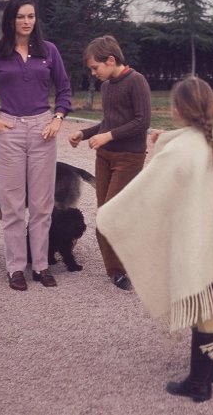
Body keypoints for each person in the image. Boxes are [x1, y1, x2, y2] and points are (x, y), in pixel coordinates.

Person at [96, 76, 213, 402]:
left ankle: (198, 382)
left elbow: (143, 194)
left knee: (201, 307)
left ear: (178, 110)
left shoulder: (179, 150)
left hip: (194, 245)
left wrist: (109, 215)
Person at [0, 0, 72, 291]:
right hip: (9, 130)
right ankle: (15, 268)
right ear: (10, 20)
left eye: (31, 16)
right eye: (21, 17)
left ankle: (40, 266)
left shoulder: (49, 51)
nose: (27, 22)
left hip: (44, 131)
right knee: (13, 205)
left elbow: (65, 90)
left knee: (42, 205)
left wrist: (58, 119)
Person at [68, 35, 151, 291]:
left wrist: (109, 136)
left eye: (96, 67)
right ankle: (116, 271)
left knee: (113, 214)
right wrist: (85, 134)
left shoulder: (136, 82)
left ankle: (135, 262)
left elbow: (142, 122)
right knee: (104, 215)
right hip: (104, 157)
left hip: (129, 158)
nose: (93, 73)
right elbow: (108, 123)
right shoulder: (106, 87)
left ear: (111, 60)